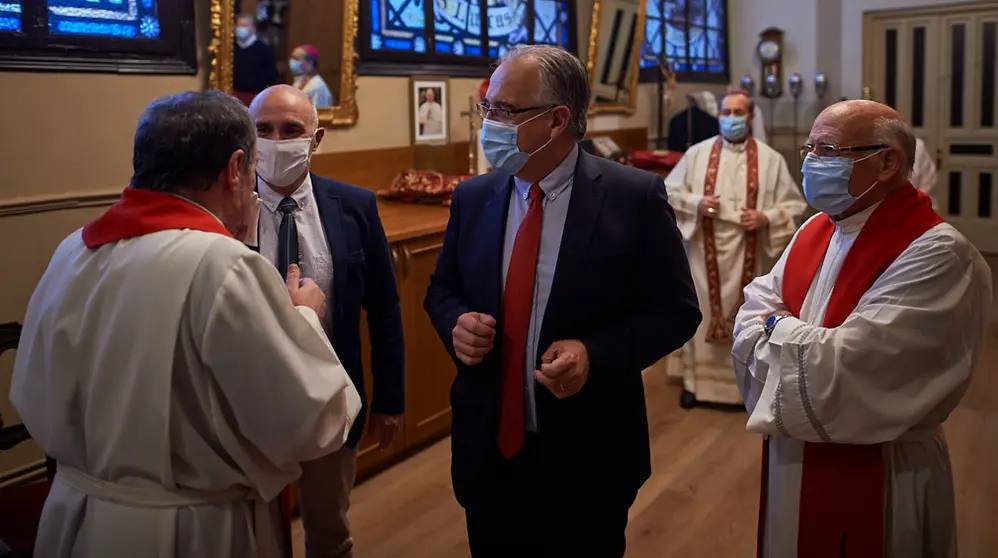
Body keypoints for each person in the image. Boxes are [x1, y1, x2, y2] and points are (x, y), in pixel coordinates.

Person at [8, 91, 362, 557]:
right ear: (236, 169)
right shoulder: (221, 264)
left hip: (76, 513)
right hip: (188, 529)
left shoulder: (73, 249)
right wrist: (305, 317)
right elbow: (308, 421)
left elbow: (29, 389)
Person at [424, 45, 701, 557]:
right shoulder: (473, 197)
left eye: (505, 110)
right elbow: (442, 290)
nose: (490, 123)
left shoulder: (632, 197)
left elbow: (677, 311)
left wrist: (595, 353)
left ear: (557, 120)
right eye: (487, 108)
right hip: (488, 448)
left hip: (587, 453)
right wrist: (455, 321)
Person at [732, 101, 992, 558]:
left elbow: (851, 366)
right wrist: (785, 331)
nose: (812, 160)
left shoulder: (937, 253)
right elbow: (753, 304)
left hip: (886, 467)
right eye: (810, 147)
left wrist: (774, 329)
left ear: (888, 161)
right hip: (793, 456)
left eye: (828, 149)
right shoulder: (819, 227)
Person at [249, 85, 405, 558]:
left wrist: (390, 398)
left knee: (329, 531)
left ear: (315, 139)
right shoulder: (226, 210)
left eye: (291, 130)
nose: (277, 141)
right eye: (263, 130)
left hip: (330, 398)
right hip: (250, 404)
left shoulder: (354, 205)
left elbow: (383, 306)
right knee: (259, 539)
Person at [664, 90, 807, 408]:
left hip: (750, 251)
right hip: (704, 252)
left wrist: (765, 216)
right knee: (700, 315)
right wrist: (697, 202)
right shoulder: (697, 154)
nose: (731, 118)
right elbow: (669, 192)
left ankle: (743, 389)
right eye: (726, 112)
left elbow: (795, 204)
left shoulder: (771, 159)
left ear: (751, 116)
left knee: (747, 318)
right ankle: (697, 386)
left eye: (738, 113)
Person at [233, 14, 279, 106]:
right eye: (238, 25)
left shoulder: (264, 49)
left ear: (253, 29)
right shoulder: (232, 48)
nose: (240, 28)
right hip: (234, 96)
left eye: (244, 26)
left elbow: (272, 76)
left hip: (255, 97)